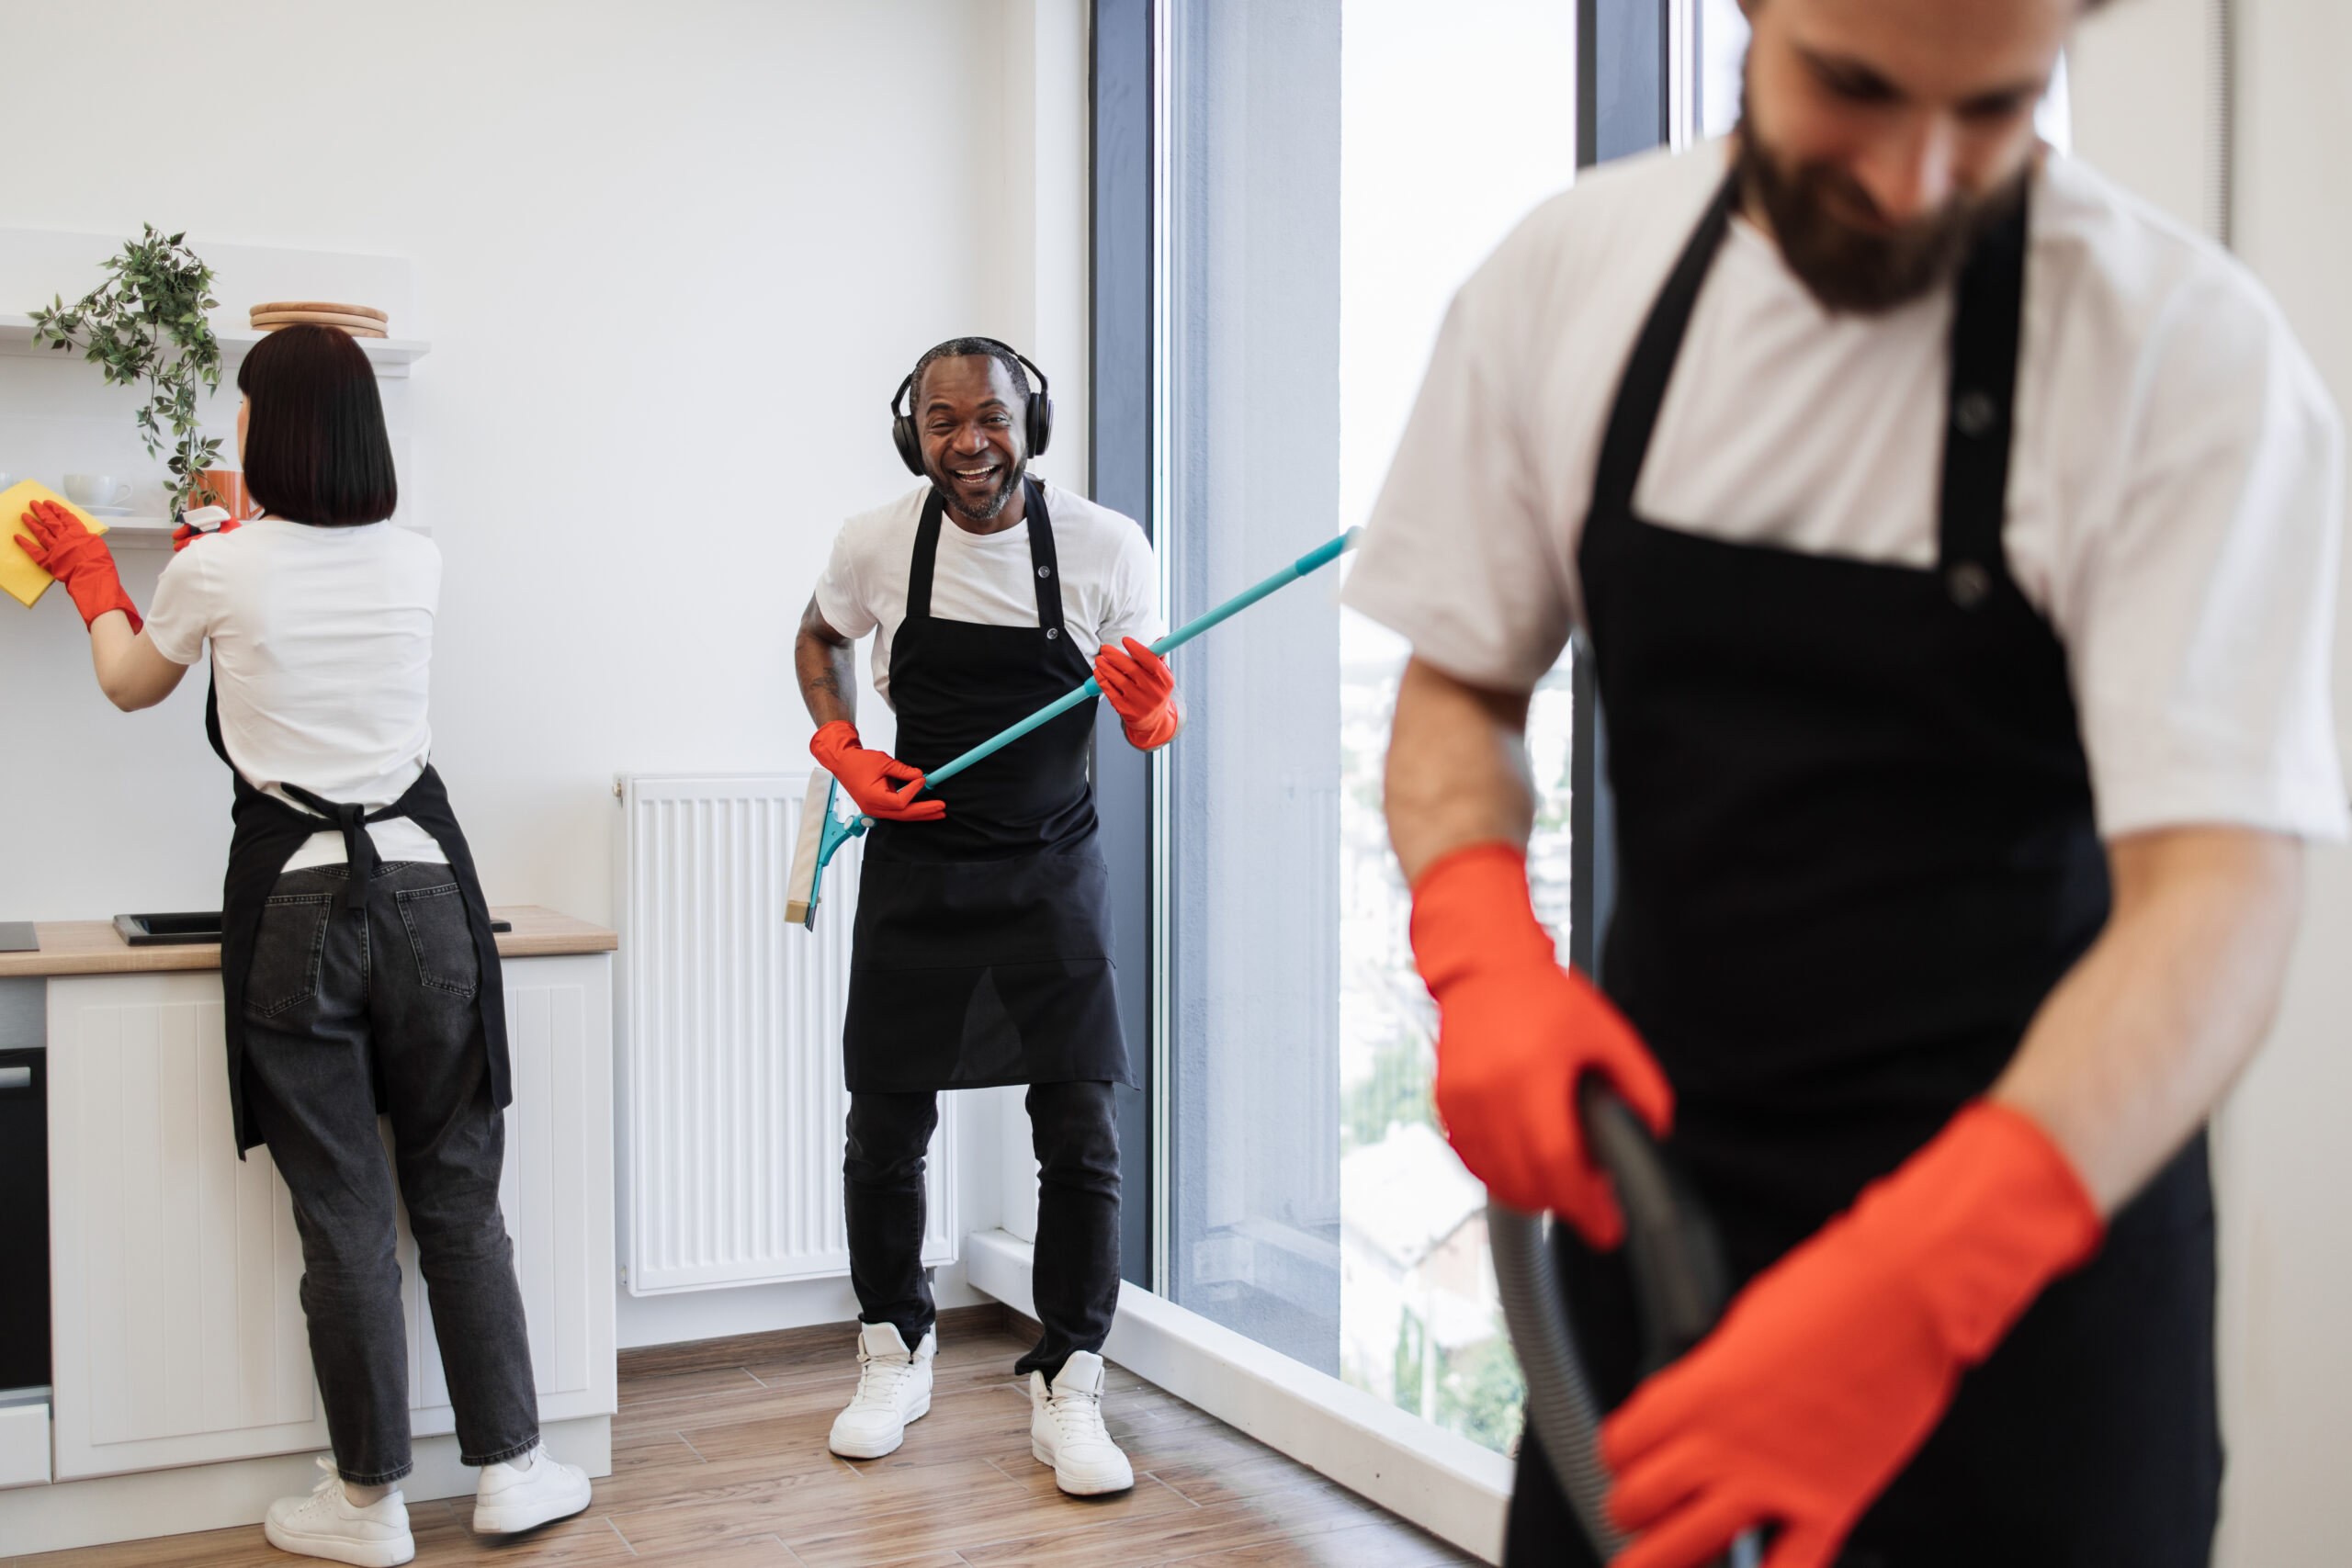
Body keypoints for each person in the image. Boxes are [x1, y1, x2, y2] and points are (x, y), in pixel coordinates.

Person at [1342, 1, 2344, 1564]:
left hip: (2028, 1275)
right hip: (1656, 1204)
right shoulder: (1570, 280)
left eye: (1997, 109)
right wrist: (1479, 946)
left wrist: (1933, 1276)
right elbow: (1463, 678)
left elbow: (2220, 894)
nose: (1914, 176)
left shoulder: (2181, 354)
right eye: (1852, 88)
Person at [16, 325, 593, 1566]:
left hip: (295, 907)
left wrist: (85, 571)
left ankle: (369, 1501)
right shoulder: (417, 559)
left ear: (263, 428)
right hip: (433, 896)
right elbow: (302, 581)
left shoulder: (222, 572)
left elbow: (130, 681)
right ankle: (510, 1468)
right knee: (458, 1197)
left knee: (342, 1215)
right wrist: (221, 531)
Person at [794, 337, 1175, 1495]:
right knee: (885, 1123)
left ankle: (1071, 1376)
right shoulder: (875, 544)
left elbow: (1148, 693)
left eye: (993, 418)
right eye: (945, 420)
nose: (971, 444)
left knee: (1080, 1128)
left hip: (1052, 865)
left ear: (1032, 422)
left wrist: (1156, 716)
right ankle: (895, 1346)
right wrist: (844, 748)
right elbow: (816, 641)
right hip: (918, 859)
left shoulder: (1108, 547)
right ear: (914, 430)